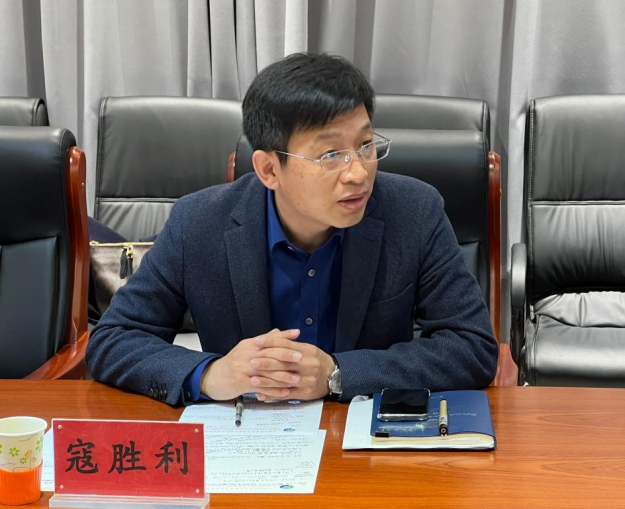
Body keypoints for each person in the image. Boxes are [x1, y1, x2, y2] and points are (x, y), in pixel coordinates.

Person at [86, 53, 498, 406]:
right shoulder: (199, 222)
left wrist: (339, 373)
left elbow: (471, 347)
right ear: (269, 169)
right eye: (331, 154)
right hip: (249, 438)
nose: (358, 173)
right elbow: (114, 339)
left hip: (365, 440)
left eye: (365, 145)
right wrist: (210, 374)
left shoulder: (414, 211)